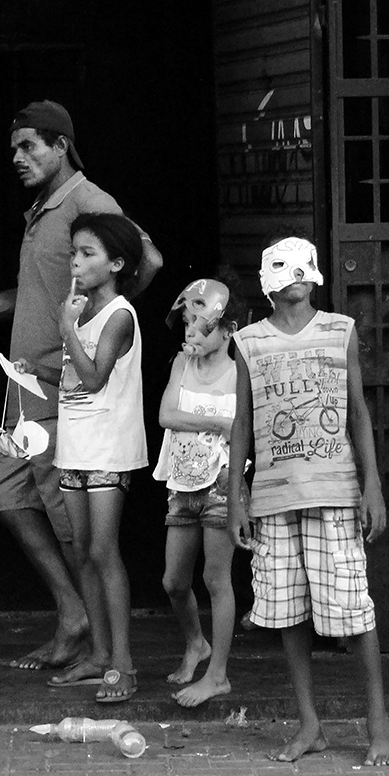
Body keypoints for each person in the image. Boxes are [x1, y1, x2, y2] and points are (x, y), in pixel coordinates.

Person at [0, 100, 162, 673]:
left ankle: (101, 648)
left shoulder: (87, 200)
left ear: (61, 146)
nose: (18, 158)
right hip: (23, 386)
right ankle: (74, 614)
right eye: (14, 149)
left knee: (71, 524)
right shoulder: (43, 210)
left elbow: (147, 259)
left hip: (59, 388)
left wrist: (102, 322)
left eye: (29, 146)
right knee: (8, 500)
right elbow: (28, 299)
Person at [226, 237, 389, 766]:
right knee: (287, 611)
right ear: (267, 279)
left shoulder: (340, 330)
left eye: (303, 266)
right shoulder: (248, 342)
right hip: (274, 499)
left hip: (335, 493)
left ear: (315, 273)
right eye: (283, 267)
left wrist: (372, 485)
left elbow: (358, 411)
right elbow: (241, 424)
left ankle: (378, 726)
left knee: (353, 609)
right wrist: (235, 497)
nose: (294, 275)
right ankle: (310, 724)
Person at [52, 213, 148, 703]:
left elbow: (94, 379)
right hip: (75, 444)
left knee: (103, 552)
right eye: (74, 252)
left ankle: (123, 666)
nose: (76, 261)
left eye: (87, 253)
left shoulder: (118, 315)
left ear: (117, 264)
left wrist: (66, 327)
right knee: (83, 551)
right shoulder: (83, 311)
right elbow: (72, 375)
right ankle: (98, 654)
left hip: (108, 447)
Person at [155, 277, 243, 708]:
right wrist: (217, 424)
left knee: (215, 579)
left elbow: (244, 431)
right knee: (173, 581)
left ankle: (218, 675)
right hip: (182, 484)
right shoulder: (181, 364)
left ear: (227, 330)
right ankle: (196, 643)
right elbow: (165, 415)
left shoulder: (240, 373)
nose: (191, 332)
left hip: (222, 486)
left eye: (201, 325)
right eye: (187, 323)